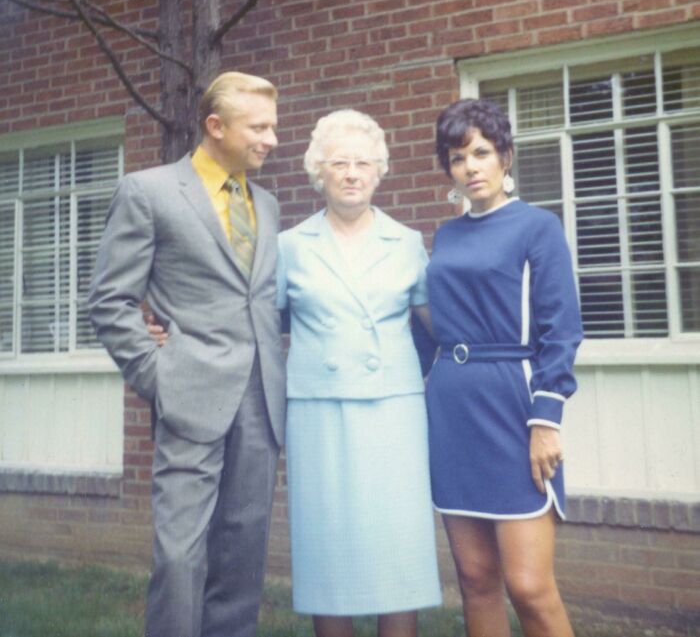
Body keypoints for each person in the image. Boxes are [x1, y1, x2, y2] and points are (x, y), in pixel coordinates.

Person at [88, 72, 286, 637]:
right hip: (189, 394)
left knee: (243, 553)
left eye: (273, 125)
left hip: (262, 400)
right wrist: (157, 375)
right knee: (180, 553)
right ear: (215, 126)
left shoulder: (266, 204)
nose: (272, 138)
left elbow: (260, 299)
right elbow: (109, 299)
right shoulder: (148, 192)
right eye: (260, 127)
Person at [276, 109, 442, 637]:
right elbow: (256, 326)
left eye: (362, 163)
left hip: (393, 407)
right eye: (339, 163)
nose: (351, 173)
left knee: (397, 543)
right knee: (330, 547)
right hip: (319, 409)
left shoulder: (408, 242)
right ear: (318, 172)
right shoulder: (288, 246)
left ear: (379, 171)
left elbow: (442, 326)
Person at [425, 98, 583, 637]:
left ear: (505, 157)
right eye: (456, 158)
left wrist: (546, 418)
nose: (469, 167)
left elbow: (560, 331)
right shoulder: (444, 236)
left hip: (513, 409)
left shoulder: (537, 227)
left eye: (481, 153)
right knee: (475, 579)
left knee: (529, 587)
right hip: (452, 411)